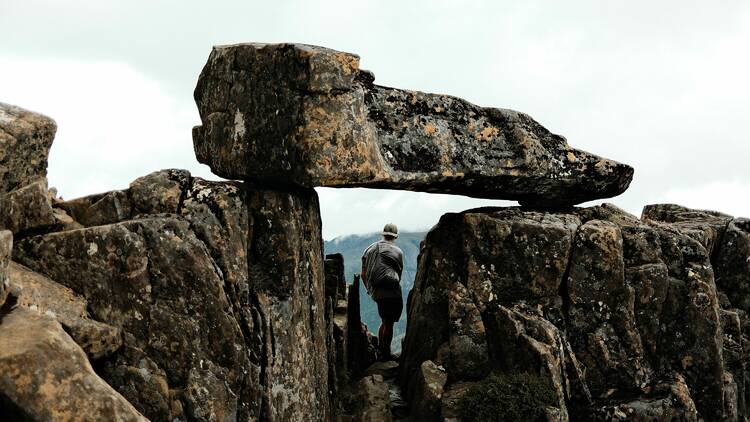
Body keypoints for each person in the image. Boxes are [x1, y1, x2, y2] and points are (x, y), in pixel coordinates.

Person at [361, 223, 404, 359]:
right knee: (389, 323)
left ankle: (380, 349)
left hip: (378, 292)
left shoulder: (369, 249)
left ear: (383, 234)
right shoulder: (398, 252)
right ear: (395, 236)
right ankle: (386, 353)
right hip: (392, 292)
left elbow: (363, 274)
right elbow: (399, 274)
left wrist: (370, 290)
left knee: (384, 321)